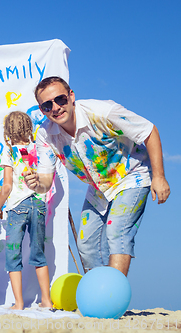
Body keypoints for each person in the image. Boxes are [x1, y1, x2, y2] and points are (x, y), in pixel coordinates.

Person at [24, 76, 170, 276]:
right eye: (47, 105)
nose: (56, 108)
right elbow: (46, 182)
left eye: (60, 99)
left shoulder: (102, 112)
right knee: (86, 243)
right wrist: (36, 184)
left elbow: (149, 131)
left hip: (131, 175)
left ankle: (111, 301)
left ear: (71, 96)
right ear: (42, 110)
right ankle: (98, 296)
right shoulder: (45, 135)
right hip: (99, 186)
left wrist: (159, 177)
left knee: (117, 232)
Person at [0, 111, 52, 310]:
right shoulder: (39, 149)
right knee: (39, 254)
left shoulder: (9, 151)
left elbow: (7, 186)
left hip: (18, 206)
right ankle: (46, 300)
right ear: (29, 127)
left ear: (8, 130)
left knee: (13, 255)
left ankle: (18, 303)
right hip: (39, 204)